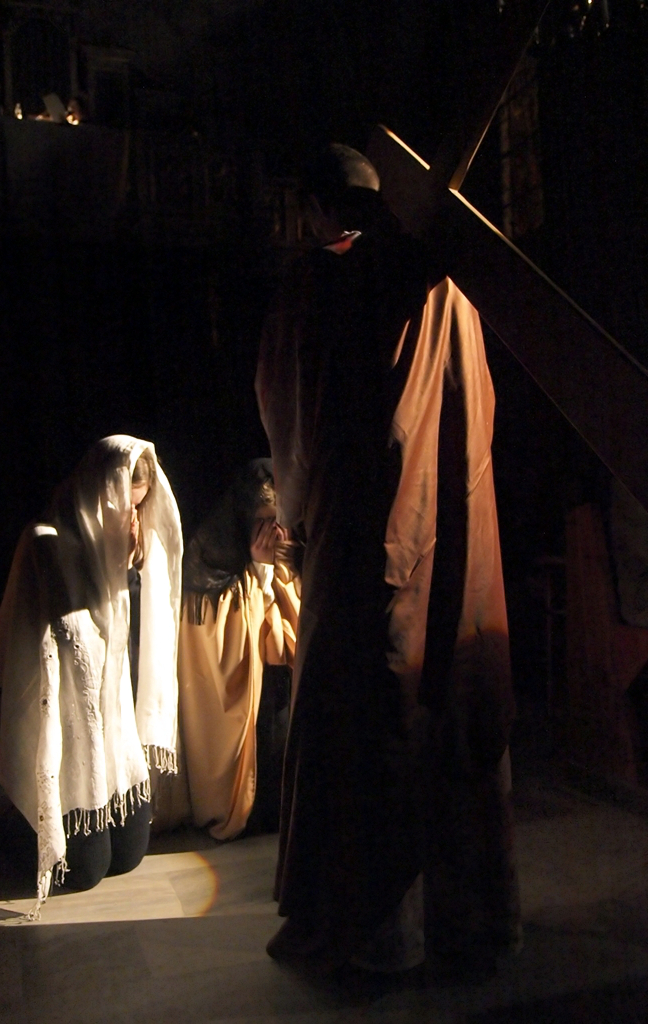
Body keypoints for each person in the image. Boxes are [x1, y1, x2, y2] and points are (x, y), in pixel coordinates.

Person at [255, 144, 520, 974]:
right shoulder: (450, 287)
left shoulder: (318, 281)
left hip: (363, 540)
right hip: (455, 540)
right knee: (450, 707)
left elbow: (288, 408)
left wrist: (293, 516)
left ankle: (366, 935)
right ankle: (468, 926)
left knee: (359, 714)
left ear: (318, 208)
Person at [0, 435, 183, 915]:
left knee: (129, 856)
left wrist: (129, 570)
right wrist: (116, 571)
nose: (133, 520)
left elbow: (134, 651)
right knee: (86, 872)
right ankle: (1, 829)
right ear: (99, 498)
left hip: (113, 736)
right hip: (67, 734)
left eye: (139, 508)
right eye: (124, 507)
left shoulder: (126, 556)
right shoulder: (47, 541)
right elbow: (68, 642)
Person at [178, 459, 300, 840]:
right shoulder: (212, 557)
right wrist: (259, 575)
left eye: (278, 520)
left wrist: (272, 572)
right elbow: (216, 647)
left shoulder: (287, 549)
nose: (273, 532)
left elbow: (289, 639)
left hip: (278, 692)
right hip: (241, 692)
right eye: (263, 521)